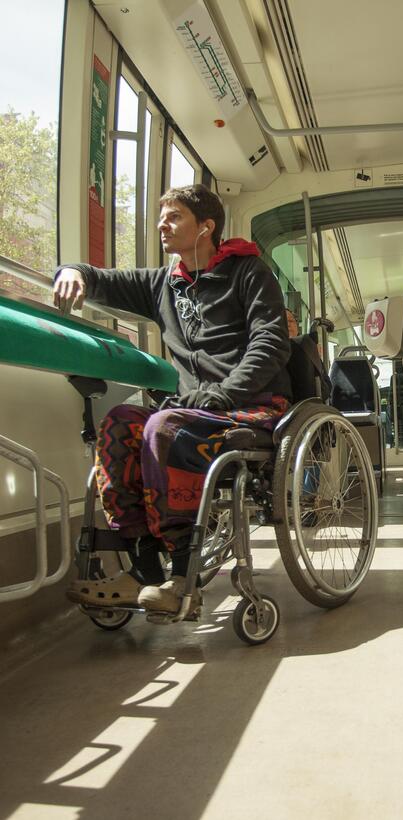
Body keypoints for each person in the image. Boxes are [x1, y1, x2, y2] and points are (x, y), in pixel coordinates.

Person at [53, 184, 291, 616]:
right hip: (193, 408)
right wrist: (73, 272)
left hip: (250, 403)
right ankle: (144, 569)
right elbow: (103, 280)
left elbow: (271, 344)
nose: (163, 224)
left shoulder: (249, 273)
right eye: (162, 216)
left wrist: (221, 394)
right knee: (120, 423)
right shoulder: (163, 283)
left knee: (164, 427)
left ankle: (183, 576)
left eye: (175, 216)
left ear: (206, 227)